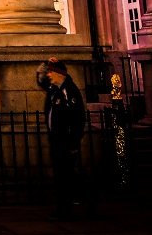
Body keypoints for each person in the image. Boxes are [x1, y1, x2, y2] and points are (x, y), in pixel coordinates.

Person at [37, 57, 86, 220]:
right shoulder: (54, 89)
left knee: (68, 176)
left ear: (60, 74)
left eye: (51, 72)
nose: (49, 75)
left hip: (67, 142)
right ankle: (62, 207)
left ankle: (70, 207)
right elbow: (41, 80)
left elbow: (78, 119)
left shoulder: (69, 91)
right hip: (56, 140)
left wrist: (74, 142)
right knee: (60, 176)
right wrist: (44, 63)